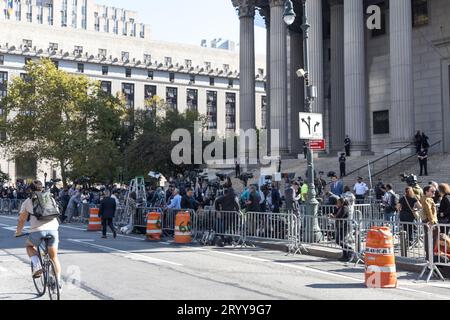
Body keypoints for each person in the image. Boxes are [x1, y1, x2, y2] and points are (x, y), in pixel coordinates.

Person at [14, 180, 62, 286]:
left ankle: (37, 265)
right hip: (53, 229)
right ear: (42, 188)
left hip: (37, 230)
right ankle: (58, 282)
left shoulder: (28, 201)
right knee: (54, 257)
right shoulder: (50, 198)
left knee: (29, 246)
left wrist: (18, 232)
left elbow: (22, 219)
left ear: (30, 190)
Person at [420, 186, 438, 260]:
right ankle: (430, 257)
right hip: (430, 221)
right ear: (426, 192)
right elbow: (429, 212)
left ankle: (429, 256)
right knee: (432, 239)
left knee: (429, 238)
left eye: (434, 191)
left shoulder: (426, 198)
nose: (434, 193)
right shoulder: (427, 199)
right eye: (432, 191)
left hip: (428, 220)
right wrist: (432, 222)